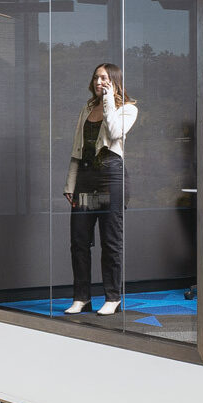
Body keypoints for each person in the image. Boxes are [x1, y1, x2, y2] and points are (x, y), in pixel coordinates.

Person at [63, 63, 139, 317]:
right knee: (79, 241)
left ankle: (113, 297)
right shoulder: (86, 109)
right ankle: (81, 298)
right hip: (86, 178)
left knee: (110, 241)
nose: (99, 81)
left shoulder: (128, 109)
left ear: (114, 81)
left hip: (110, 177)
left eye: (104, 78)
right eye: (96, 77)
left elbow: (116, 132)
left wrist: (108, 100)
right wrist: (70, 184)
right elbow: (78, 148)